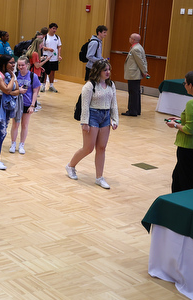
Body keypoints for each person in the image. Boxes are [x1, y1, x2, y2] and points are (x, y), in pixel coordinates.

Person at [65, 59, 118, 189]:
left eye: (108, 69)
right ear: (98, 71)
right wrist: (85, 122)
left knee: (101, 148)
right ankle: (70, 166)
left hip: (105, 117)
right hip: (92, 116)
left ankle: (99, 177)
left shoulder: (111, 85)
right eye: (105, 70)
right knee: (88, 148)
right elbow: (85, 106)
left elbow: (114, 104)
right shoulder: (89, 86)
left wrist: (115, 119)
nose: (108, 72)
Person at [0, 55, 21, 170]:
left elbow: (17, 90)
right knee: (2, 131)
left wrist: (10, 90)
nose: (13, 65)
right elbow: (7, 89)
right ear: (4, 64)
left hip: (6, 104)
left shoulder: (11, 74)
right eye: (11, 63)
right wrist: (12, 79)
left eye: (13, 63)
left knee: (0, 131)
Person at [8, 57, 40, 155]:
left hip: (27, 103)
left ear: (27, 65)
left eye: (22, 65)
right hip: (17, 103)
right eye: (19, 65)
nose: (20, 67)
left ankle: (21, 144)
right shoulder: (15, 75)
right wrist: (18, 91)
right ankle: (13, 143)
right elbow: (9, 89)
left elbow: (35, 91)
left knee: (24, 125)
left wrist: (32, 105)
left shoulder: (32, 76)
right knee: (15, 124)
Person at [122, 33, 149, 116]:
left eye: (130, 38)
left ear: (133, 40)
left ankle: (132, 111)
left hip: (134, 74)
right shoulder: (139, 47)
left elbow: (140, 61)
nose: (129, 39)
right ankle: (136, 110)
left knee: (133, 92)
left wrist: (145, 72)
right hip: (135, 73)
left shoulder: (135, 49)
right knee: (136, 92)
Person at [42, 23, 62, 92]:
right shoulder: (45, 37)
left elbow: (59, 47)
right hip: (46, 57)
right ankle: (43, 86)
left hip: (54, 57)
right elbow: (42, 47)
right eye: (53, 28)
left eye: (56, 29)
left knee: (53, 72)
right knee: (45, 72)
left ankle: (51, 86)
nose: (55, 30)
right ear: (50, 28)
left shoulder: (57, 37)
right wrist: (48, 48)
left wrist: (59, 55)